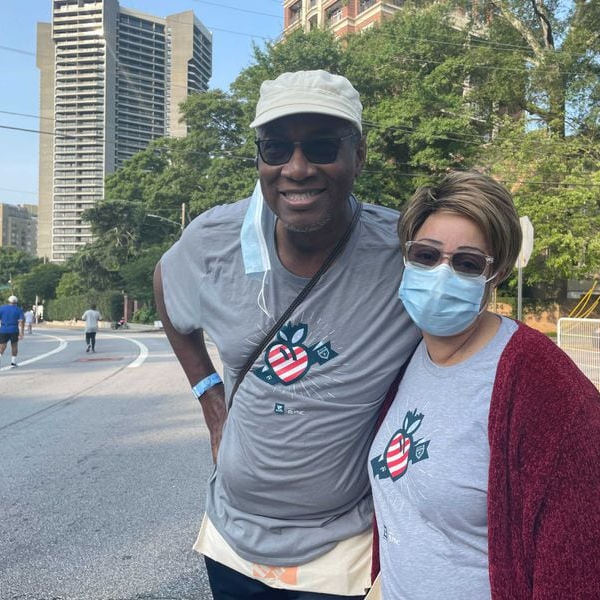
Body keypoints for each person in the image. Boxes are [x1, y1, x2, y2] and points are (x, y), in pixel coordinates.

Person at [154, 69, 420, 599]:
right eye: (276, 148)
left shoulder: (405, 254)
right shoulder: (213, 241)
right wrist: (209, 396)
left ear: (358, 155)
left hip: (343, 548)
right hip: (230, 538)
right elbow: (164, 285)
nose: (297, 169)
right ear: (259, 158)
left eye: (322, 146)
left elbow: (468, 311)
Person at [367, 172, 600, 599]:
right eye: (425, 255)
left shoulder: (549, 390)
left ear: (499, 273)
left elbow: (593, 575)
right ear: (405, 256)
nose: (440, 274)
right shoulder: (407, 356)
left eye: (467, 263)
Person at [0, 295, 25, 370]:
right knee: (14, 346)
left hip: (3, 329)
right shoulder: (18, 310)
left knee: (2, 346)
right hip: (14, 329)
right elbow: (21, 321)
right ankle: (13, 362)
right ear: (16, 302)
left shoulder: (2, 308)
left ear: (8, 301)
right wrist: (21, 332)